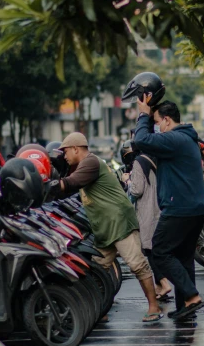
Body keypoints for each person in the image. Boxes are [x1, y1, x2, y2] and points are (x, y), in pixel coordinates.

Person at [57, 132, 162, 324]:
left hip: (119, 222)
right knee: (98, 268)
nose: (64, 155)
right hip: (105, 228)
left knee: (137, 264)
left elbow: (72, 183)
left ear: (75, 148)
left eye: (65, 151)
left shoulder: (90, 162)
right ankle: (100, 309)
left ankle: (154, 306)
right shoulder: (82, 166)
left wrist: (51, 185)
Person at [134, 99, 204, 321]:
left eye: (157, 123)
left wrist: (144, 115)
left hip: (180, 207)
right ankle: (186, 306)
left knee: (160, 251)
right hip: (193, 206)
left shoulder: (175, 138)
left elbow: (141, 140)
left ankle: (192, 296)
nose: (157, 127)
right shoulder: (185, 138)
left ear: (166, 120)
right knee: (184, 257)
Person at [123, 142, 173, 301]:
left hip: (147, 210)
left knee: (149, 249)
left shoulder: (139, 162)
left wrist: (127, 181)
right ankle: (160, 285)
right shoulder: (153, 157)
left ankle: (164, 283)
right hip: (159, 207)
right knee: (153, 248)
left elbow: (137, 190)